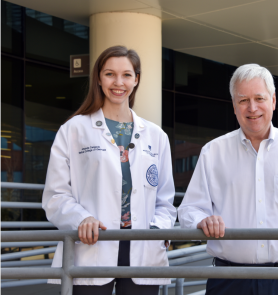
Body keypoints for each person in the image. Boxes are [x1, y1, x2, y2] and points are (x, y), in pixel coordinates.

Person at [178, 64, 278, 295]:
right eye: (243, 100)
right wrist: (202, 220)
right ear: (234, 106)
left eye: (259, 98)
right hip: (229, 281)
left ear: (273, 100)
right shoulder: (213, 152)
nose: (252, 108)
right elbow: (189, 209)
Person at [42, 45, 177, 295]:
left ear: (136, 79)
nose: (119, 82)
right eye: (109, 74)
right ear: (98, 78)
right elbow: (55, 195)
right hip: (92, 244)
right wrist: (81, 218)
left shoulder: (156, 136)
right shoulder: (73, 130)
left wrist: (158, 231)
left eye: (127, 74)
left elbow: (165, 200)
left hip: (142, 247)